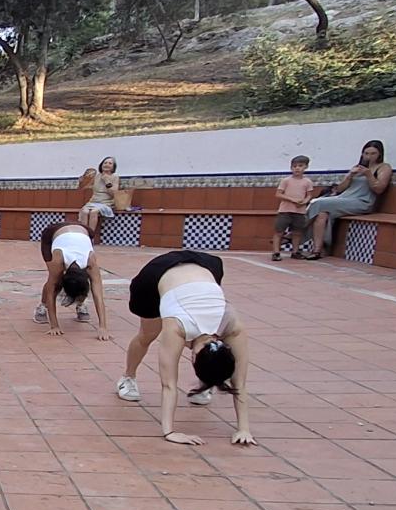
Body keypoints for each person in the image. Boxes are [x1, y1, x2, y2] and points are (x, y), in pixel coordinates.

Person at [116, 250, 256, 447]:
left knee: (212, 363)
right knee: (147, 335)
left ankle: (206, 382)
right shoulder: (176, 326)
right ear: (192, 358)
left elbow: (239, 382)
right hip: (156, 275)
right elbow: (169, 384)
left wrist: (244, 429)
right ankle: (128, 376)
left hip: (205, 266)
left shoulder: (233, 326)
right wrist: (170, 431)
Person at [303, 140, 392, 259]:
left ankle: (297, 231)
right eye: (366, 153)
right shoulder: (357, 167)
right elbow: (340, 189)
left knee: (317, 202)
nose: (369, 157)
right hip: (344, 199)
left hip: (362, 202)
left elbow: (379, 189)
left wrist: (369, 174)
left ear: (379, 154)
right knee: (322, 214)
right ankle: (317, 250)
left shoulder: (384, 167)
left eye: (373, 154)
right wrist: (350, 176)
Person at [33, 221, 111, 340]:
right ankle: (42, 307)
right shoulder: (58, 260)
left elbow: (98, 295)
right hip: (54, 232)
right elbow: (51, 288)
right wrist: (54, 326)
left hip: (83, 230)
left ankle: (81, 304)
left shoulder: (91, 263)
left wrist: (103, 327)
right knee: (54, 280)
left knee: (84, 285)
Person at [271, 156, 315, 261]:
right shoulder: (286, 180)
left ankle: (295, 251)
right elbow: (278, 194)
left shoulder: (307, 182)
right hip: (285, 211)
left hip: (299, 211)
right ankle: (276, 252)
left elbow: (309, 195)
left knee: (297, 232)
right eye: (294, 166)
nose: (297, 168)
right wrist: (292, 200)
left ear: (306, 167)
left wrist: (304, 201)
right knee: (279, 231)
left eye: (300, 166)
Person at [79, 157, 121, 236]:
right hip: (93, 202)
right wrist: (82, 181)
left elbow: (113, 194)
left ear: (113, 167)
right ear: (101, 165)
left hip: (106, 203)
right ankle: (84, 235)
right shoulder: (97, 176)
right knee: (85, 212)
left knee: (94, 212)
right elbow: (84, 187)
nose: (107, 165)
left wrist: (107, 181)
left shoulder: (115, 176)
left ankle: (91, 235)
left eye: (110, 163)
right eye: (105, 163)